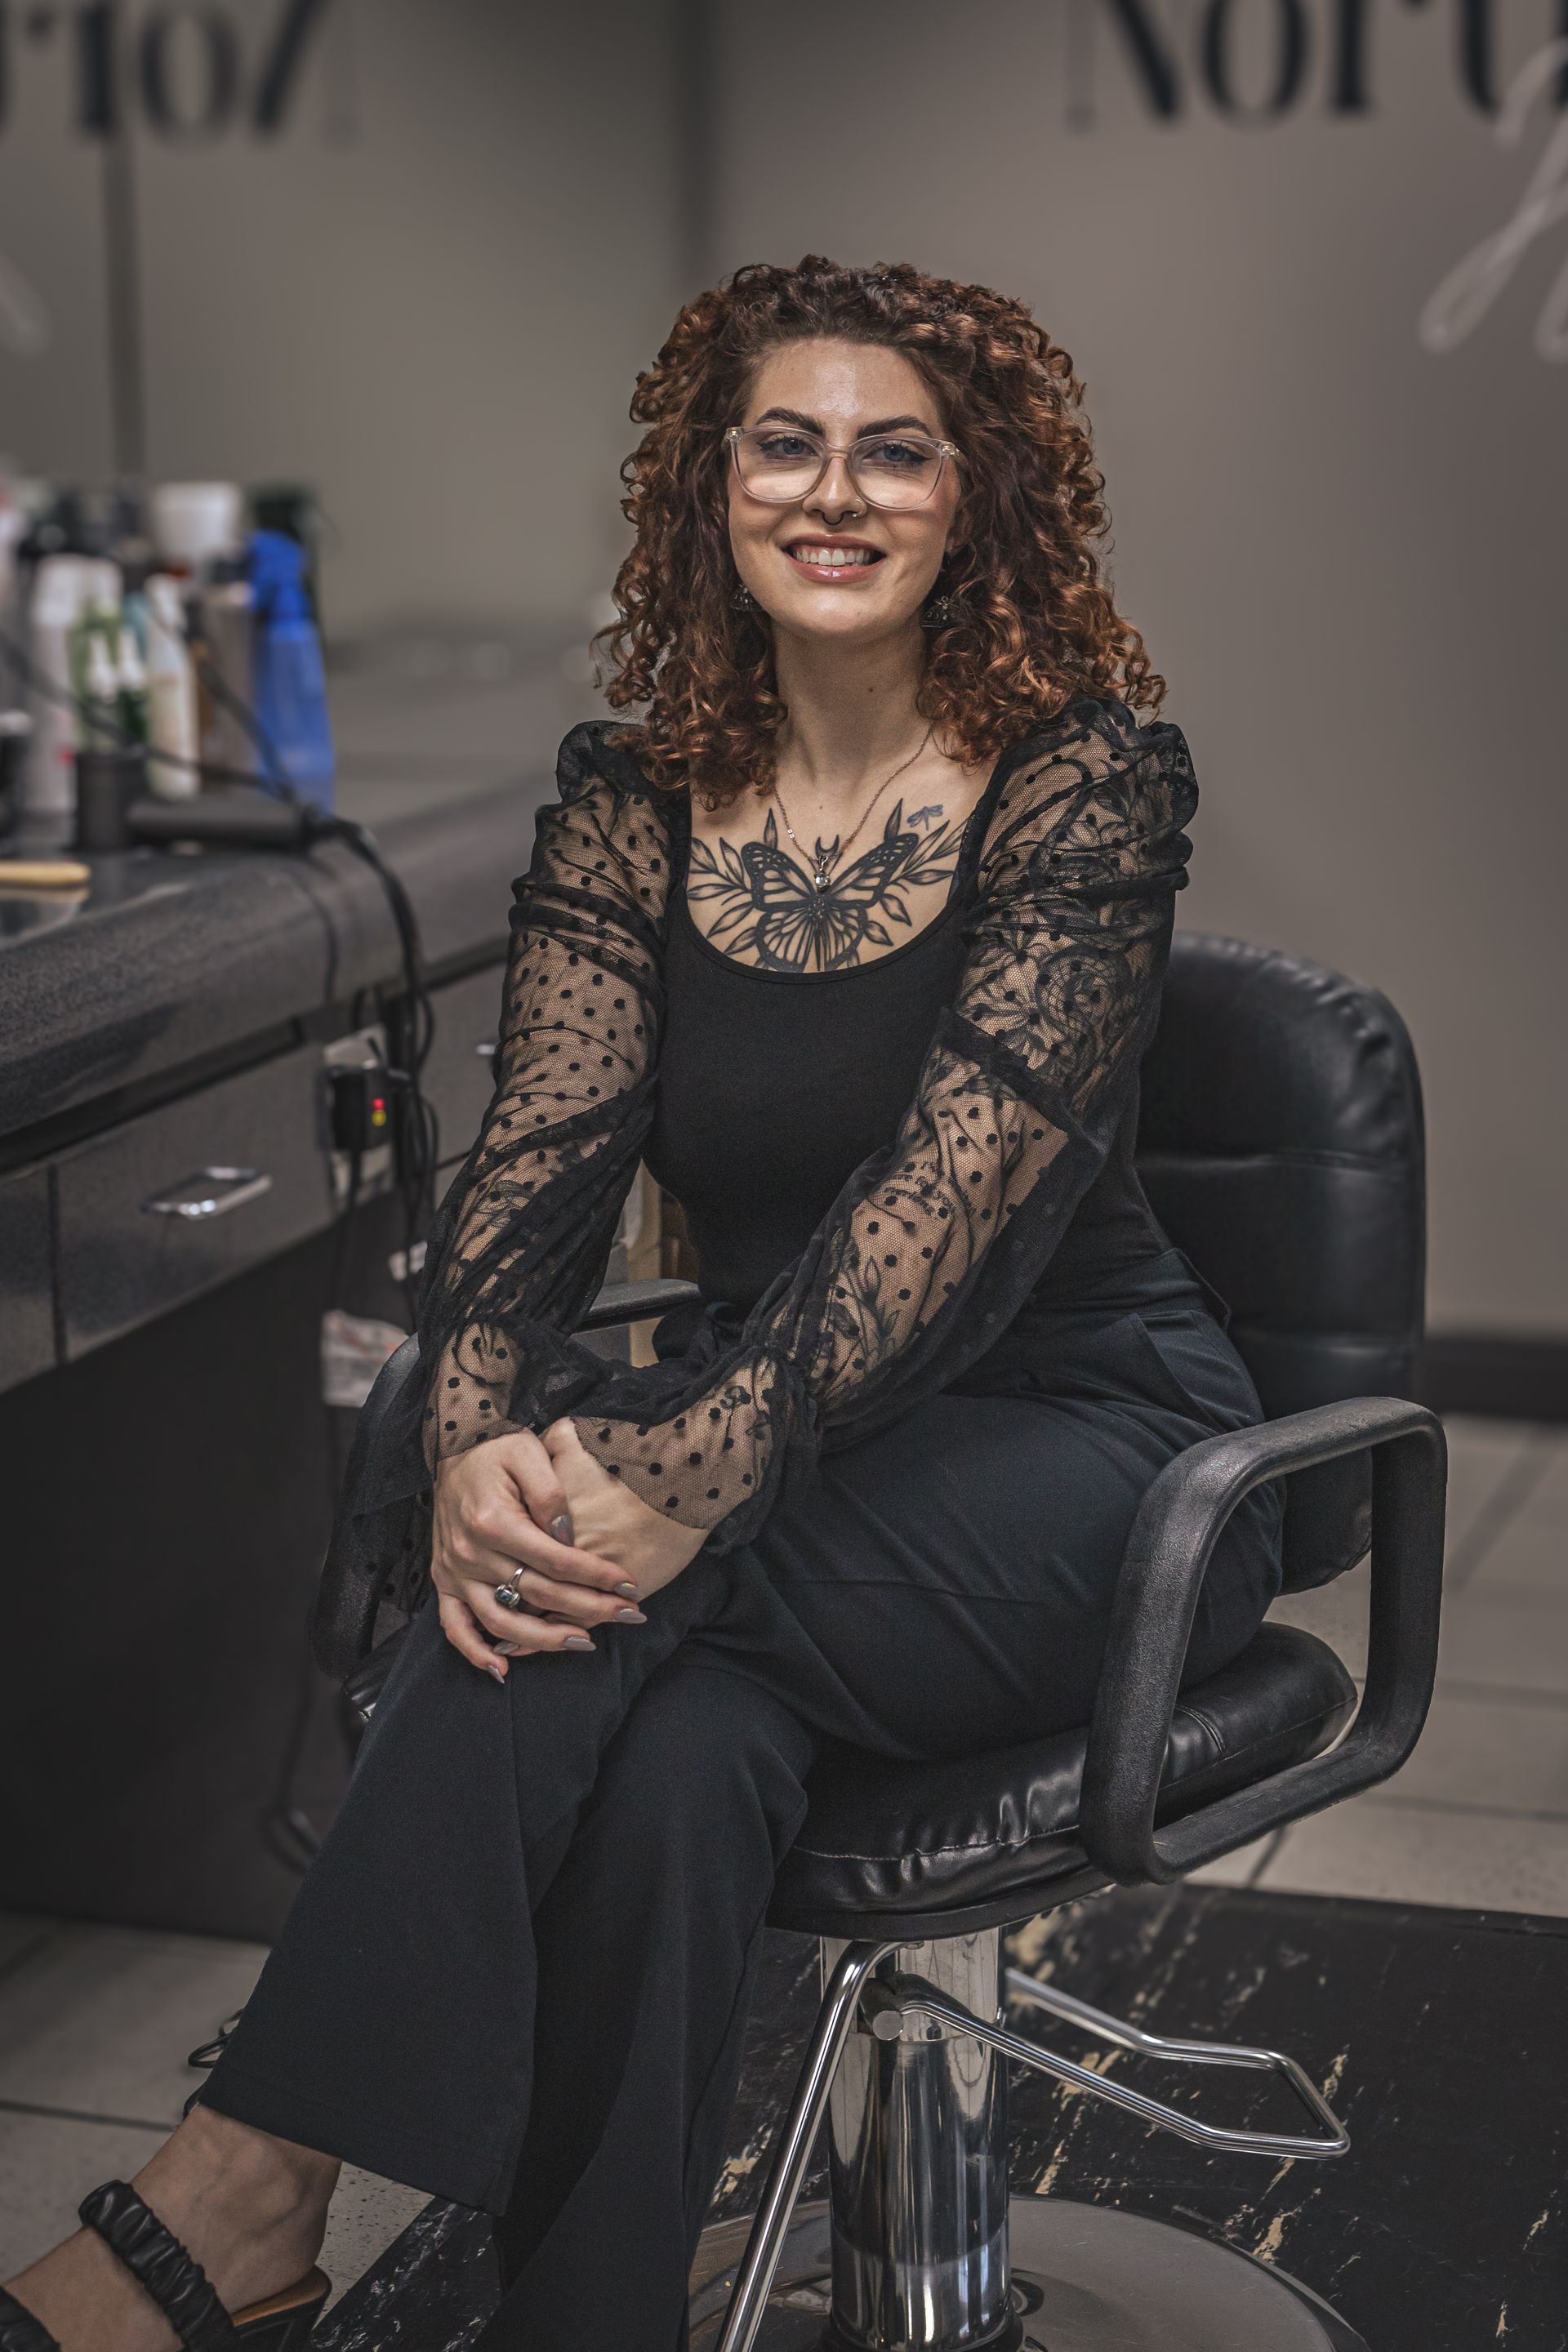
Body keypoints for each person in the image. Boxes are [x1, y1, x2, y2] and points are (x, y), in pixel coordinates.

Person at [2, 256, 1282, 2352]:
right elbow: (540, 1160)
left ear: (977, 503)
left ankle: (243, 2187)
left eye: (896, 449)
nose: (835, 489)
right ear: (713, 489)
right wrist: (479, 1428)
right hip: (799, 1449)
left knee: (594, 1603)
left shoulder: (1082, 786)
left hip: (1092, 1455)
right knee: (667, 1740)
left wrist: (681, 1470)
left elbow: (943, 1214)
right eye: (785, 442)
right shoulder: (636, 796)